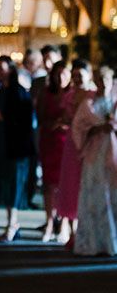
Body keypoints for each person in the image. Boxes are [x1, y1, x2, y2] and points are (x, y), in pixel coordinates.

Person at [72, 66, 117, 256]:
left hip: (112, 154)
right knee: (94, 194)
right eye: (99, 81)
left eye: (105, 80)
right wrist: (97, 128)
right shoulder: (88, 104)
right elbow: (78, 127)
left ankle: (110, 241)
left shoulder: (115, 103)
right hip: (94, 154)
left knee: (110, 195)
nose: (102, 84)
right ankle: (92, 241)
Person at [0, 56, 35, 241]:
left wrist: (3, 116)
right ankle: (11, 223)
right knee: (7, 184)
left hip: (16, 146)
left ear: (10, 69)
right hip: (2, 144)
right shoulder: (0, 90)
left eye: (2, 68)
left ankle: (13, 223)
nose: (0, 72)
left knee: (15, 184)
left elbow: (25, 121)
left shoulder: (19, 91)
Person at [56, 59, 95, 244]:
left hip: (90, 143)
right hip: (71, 144)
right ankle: (72, 231)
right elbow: (64, 117)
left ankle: (85, 231)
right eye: (75, 75)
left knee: (85, 184)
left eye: (81, 75)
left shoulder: (93, 95)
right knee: (71, 184)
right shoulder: (69, 95)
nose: (77, 78)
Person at [37, 60, 71, 242]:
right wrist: (52, 123)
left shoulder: (72, 94)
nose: (60, 78)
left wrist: (63, 124)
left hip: (66, 143)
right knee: (49, 184)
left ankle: (64, 221)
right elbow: (40, 117)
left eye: (64, 74)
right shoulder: (46, 94)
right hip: (49, 141)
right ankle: (49, 221)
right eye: (57, 74)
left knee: (64, 183)